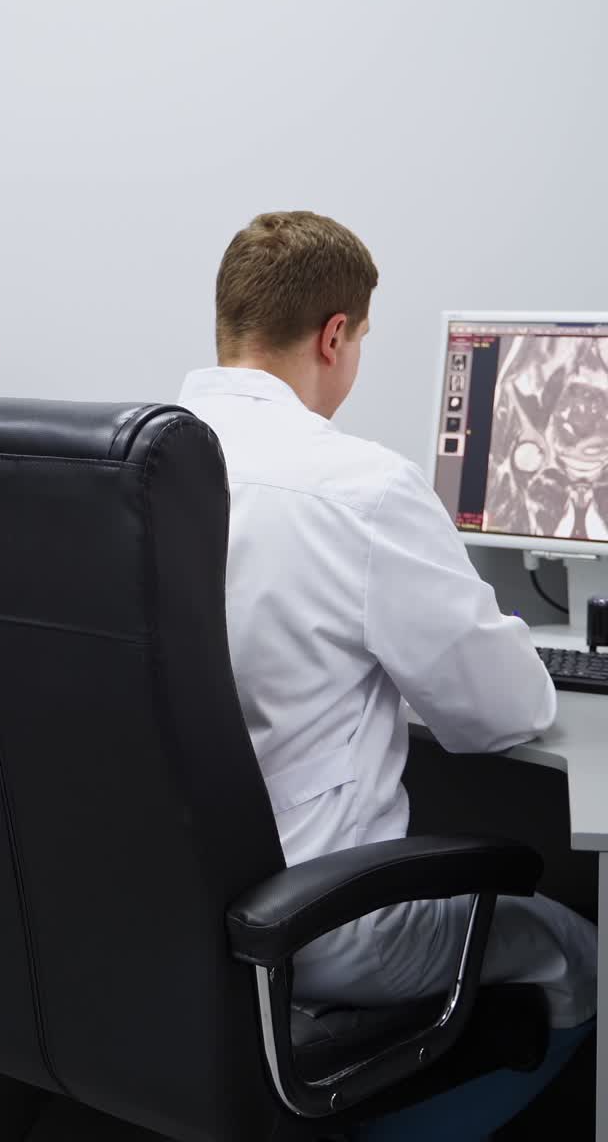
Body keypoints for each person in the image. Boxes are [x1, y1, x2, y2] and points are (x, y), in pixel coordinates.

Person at [177, 213, 595, 1128]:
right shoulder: (356, 487)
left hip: (167, 913)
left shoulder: (135, 467)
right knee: (579, 950)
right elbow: (499, 713)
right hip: (322, 928)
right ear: (335, 335)